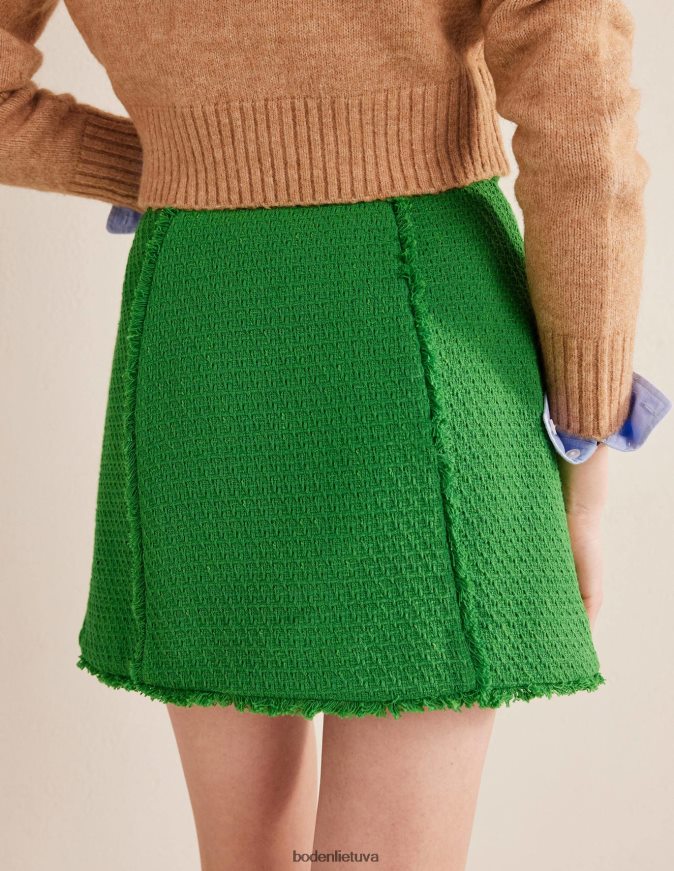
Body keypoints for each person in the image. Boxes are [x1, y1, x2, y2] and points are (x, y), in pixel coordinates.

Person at [1, 1, 670, 869]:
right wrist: (587, 439)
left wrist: (194, 157)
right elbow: (581, 118)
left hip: (200, 337)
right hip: (428, 336)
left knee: (244, 854)